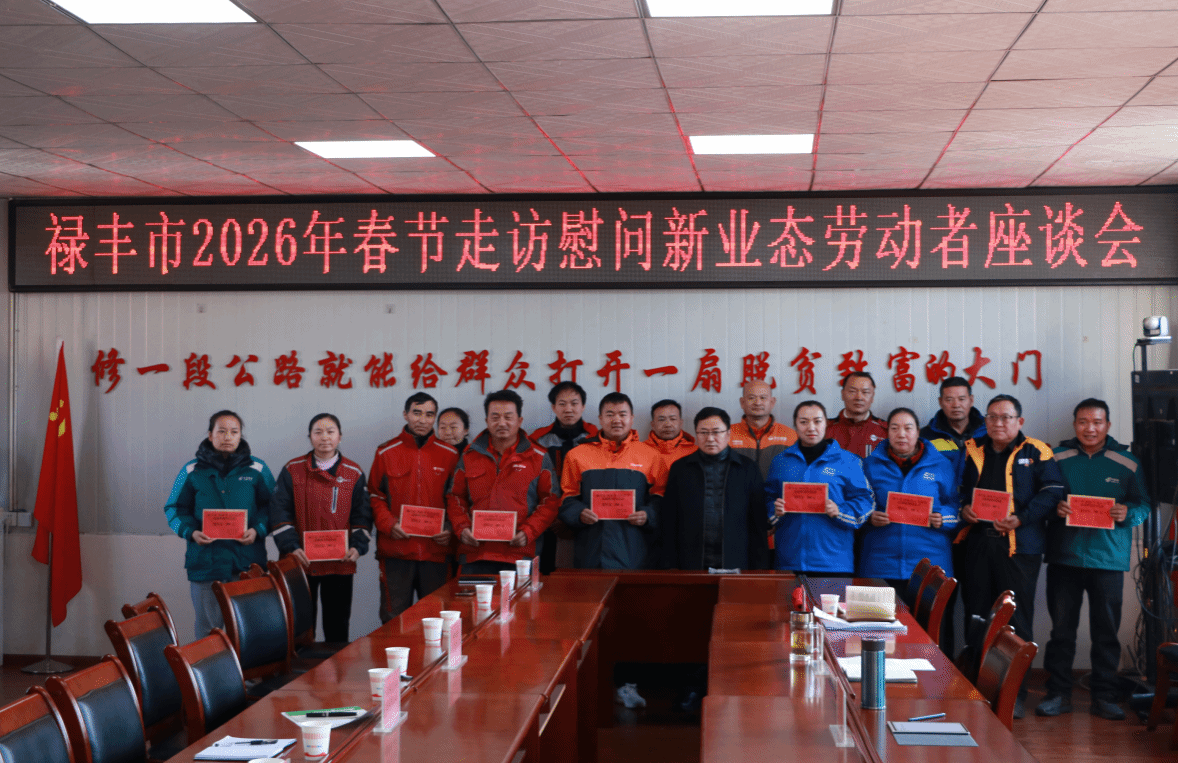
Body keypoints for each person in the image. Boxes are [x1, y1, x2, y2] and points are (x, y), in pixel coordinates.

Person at [1036, 399, 1149, 721]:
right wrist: (1054, 509)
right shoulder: (1056, 457)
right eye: (1083, 422)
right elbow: (1041, 498)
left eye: (1097, 422)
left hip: (1108, 559)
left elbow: (1143, 504)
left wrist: (1128, 513)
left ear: (1107, 426)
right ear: (1075, 425)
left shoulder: (1127, 462)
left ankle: (1105, 696)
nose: (1090, 428)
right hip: (1065, 557)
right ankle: (1058, 694)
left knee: (1106, 633)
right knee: (1061, 633)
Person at [958, 393, 1065, 719]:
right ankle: (977, 689)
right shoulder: (971, 449)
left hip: (1019, 548)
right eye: (992, 417)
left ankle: (1013, 694)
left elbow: (1053, 491)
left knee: (1016, 622)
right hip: (978, 545)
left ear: (1019, 421)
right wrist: (964, 508)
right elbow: (958, 489)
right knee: (977, 617)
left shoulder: (1036, 450)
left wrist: (1021, 518)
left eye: (1006, 417)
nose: (998, 423)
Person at [164, 410, 275, 639]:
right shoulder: (191, 470)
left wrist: (258, 530)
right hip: (206, 562)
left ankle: (245, 666)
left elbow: (273, 508)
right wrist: (192, 532)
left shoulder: (257, 469)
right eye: (221, 431)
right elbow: (173, 508)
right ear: (210, 434)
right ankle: (211, 666)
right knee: (209, 633)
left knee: (248, 631)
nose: (228, 437)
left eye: (234, 432)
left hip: (247, 562)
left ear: (240, 435)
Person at [269, 413, 372, 644]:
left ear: (340, 436)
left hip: (340, 564)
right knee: (300, 630)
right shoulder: (292, 469)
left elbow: (362, 515)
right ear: (310, 437)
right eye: (318, 432)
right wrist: (291, 547)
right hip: (300, 563)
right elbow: (279, 511)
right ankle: (302, 669)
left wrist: (357, 547)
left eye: (330, 432)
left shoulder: (353, 472)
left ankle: (337, 668)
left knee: (337, 629)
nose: (324, 437)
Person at [369, 393, 459, 622]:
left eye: (429, 415)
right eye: (416, 413)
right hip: (397, 549)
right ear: (405, 414)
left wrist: (449, 528)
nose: (422, 420)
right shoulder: (385, 452)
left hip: (436, 551)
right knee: (394, 619)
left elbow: (457, 499)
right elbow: (375, 495)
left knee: (438, 619)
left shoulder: (450, 455)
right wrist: (389, 524)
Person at [448, 390, 559, 574]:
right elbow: (455, 496)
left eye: (508, 417)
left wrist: (528, 532)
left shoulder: (538, 456)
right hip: (476, 554)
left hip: (520, 555)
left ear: (519, 420)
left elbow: (551, 500)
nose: (501, 423)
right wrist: (462, 528)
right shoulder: (469, 455)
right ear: (486, 421)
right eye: (495, 417)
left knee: (521, 596)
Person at [558, 391, 668, 570]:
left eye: (622, 414)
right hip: (590, 551)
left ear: (631, 419)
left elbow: (662, 497)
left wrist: (648, 515)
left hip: (635, 552)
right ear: (600, 419)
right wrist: (579, 513)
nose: (617, 420)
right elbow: (566, 497)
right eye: (610, 414)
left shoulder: (651, 455)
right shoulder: (577, 455)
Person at [764, 401, 874, 573]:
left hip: (834, 562)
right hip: (788, 561)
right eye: (803, 422)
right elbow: (766, 499)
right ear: (795, 425)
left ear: (826, 424)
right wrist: (775, 510)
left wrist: (840, 511)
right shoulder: (781, 461)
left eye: (817, 421)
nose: (811, 427)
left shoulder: (848, 461)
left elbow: (866, 500)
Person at [859, 408, 959, 593]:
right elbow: (858, 503)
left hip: (931, 565)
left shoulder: (941, 465)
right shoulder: (870, 465)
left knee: (930, 614)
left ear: (918, 432)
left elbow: (956, 504)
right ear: (887, 432)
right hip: (881, 564)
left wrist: (943, 517)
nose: (901, 434)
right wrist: (870, 517)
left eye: (908, 428)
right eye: (894, 428)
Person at [660, 407, 768, 571]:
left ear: (728, 434)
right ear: (696, 434)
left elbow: (758, 524)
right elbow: (669, 520)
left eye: (716, 432)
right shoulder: (680, 469)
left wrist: (759, 567)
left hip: (736, 561)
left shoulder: (748, 468)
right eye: (703, 432)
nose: (710, 438)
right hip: (690, 562)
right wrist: (669, 564)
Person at [530, 381, 599, 573]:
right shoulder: (538, 440)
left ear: (583, 406)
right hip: (547, 520)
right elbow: (532, 484)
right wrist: (552, 518)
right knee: (546, 573)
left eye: (574, 403)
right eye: (562, 404)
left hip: (588, 516)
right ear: (553, 407)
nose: (568, 409)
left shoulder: (596, 438)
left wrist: (576, 514)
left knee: (585, 575)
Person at [728, 380, 797, 478]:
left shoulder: (791, 436)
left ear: (772, 402)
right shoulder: (726, 434)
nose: (757, 403)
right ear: (742, 402)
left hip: (776, 488)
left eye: (763, 398)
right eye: (751, 398)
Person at [921, 376, 987, 478]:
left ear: (971, 400)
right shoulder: (925, 437)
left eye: (962, 399)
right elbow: (921, 475)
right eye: (949, 400)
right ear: (940, 402)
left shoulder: (989, 433)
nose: (956, 405)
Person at [827, 372, 887, 459]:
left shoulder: (886, 431)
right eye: (852, 391)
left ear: (872, 396)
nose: (859, 397)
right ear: (842, 394)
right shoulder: (824, 429)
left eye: (865, 392)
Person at [645, 399, 697, 469]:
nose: (668, 425)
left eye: (673, 419)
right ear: (653, 425)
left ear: (681, 423)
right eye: (661, 419)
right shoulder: (640, 451)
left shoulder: (695, 452)